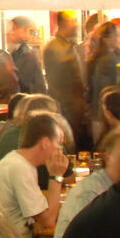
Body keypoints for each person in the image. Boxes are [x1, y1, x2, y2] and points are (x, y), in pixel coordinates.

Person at [0, 111, 70, 237]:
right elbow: (48, 220)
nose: (60, 150)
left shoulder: (17, 160)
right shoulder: (20, 167)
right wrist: (56, 176)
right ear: (45, 142)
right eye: (59, 143)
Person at [42, 11, 87, 146]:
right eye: (72, 21)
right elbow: (60, 82)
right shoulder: (55, 48)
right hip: (66, 108)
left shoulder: (70, 46)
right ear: (63, 24)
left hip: (76, 108)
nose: (76, 25)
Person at [84, 23, 120, 141]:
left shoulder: (98, 57)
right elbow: (103, 89)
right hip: (102, 113)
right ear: (107, 39)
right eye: (117, 35)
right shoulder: (108, 60)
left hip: (96, 112)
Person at [7, 16, 47, 95]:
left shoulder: (27, 55)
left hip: (33, 103)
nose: (11, 32)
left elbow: (20, 82)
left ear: (24, 30)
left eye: (14, 29)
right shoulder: (17, 52)